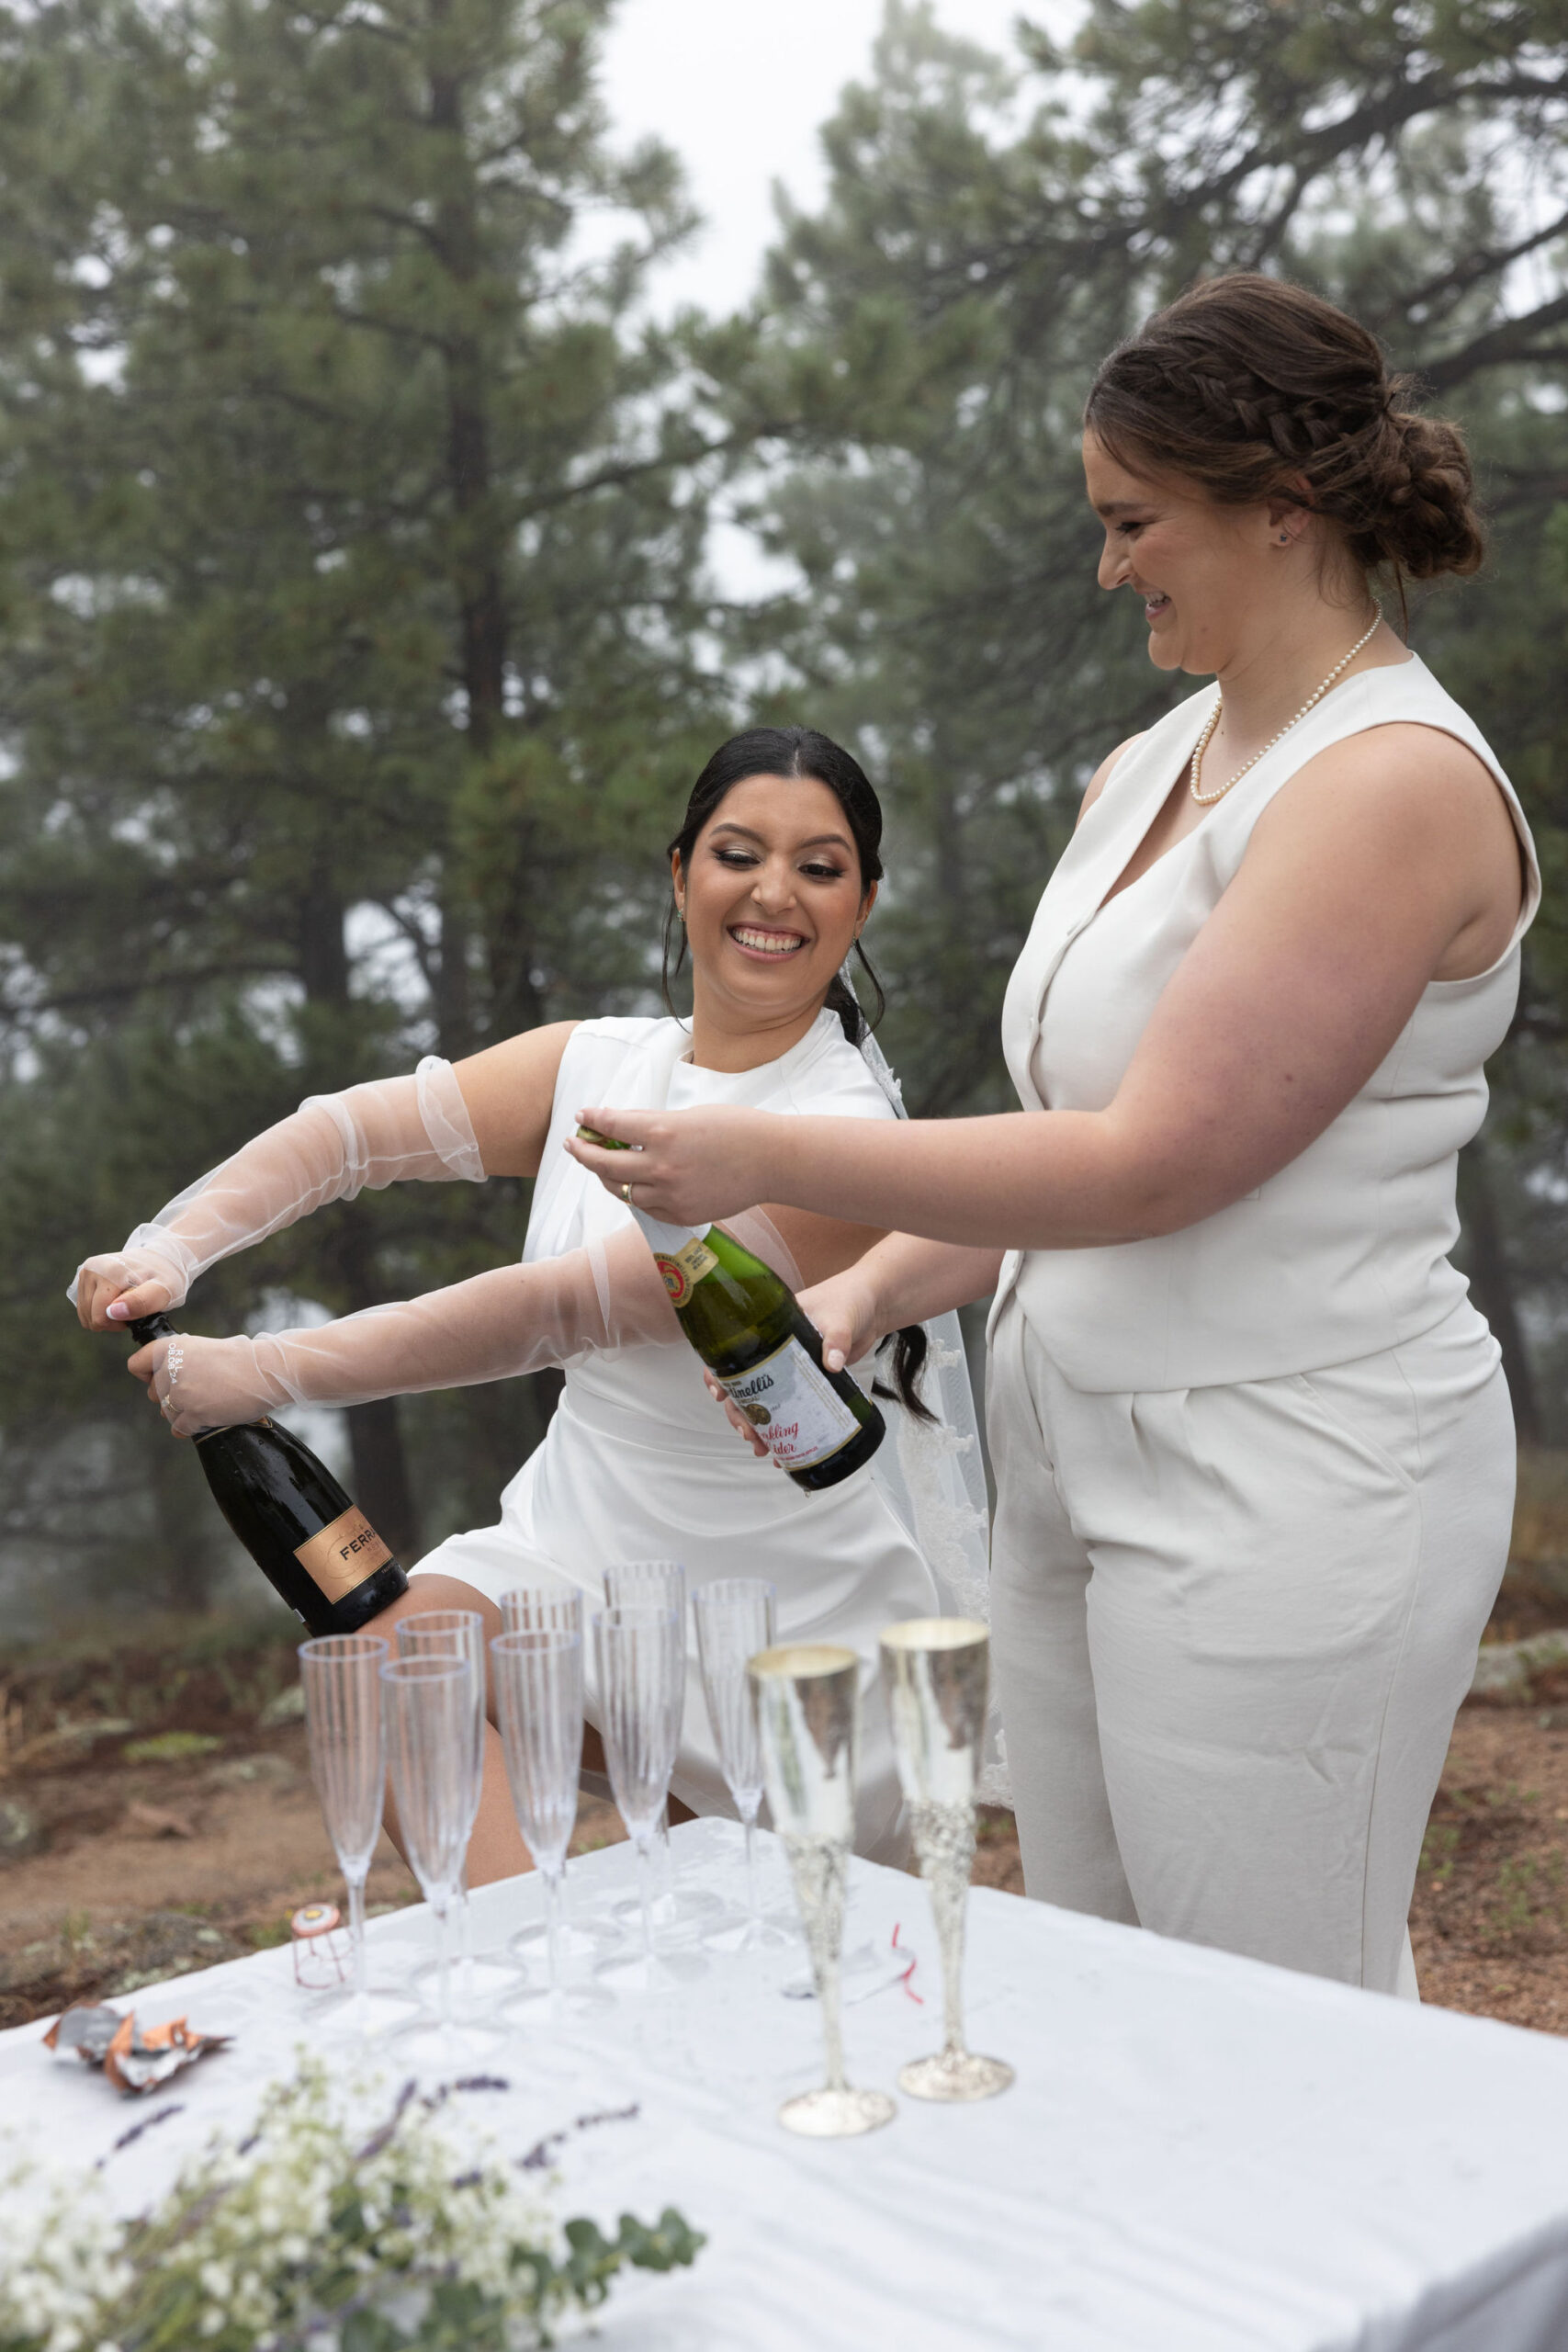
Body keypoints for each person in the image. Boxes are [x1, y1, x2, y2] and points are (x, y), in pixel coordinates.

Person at [569, 275, 1538, 1996]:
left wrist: (772, 1162)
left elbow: (1152, 1162)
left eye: (1133, 522)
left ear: (1281, 508)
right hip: (1071, 1456)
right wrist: (859, 1307)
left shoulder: (1388, 783)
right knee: (1114, 1990)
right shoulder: (1145, 765)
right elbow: (1058, 1145)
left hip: (1293, 1473)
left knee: (1279, 2022)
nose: (1109, 567)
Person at [72, 728, 989, 1874]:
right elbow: (349, 1135)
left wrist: (259, 1372)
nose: (773, 892)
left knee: (770, 1977)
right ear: (678, 873)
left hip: (788, 1610)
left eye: (820, 866)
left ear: (861, 906)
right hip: (582, 1540)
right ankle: (521, 1993)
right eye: (737, 853)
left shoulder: (845, 1130)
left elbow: (564, 1309)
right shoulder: (594, 1062)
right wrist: (171, 1245)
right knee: (398, 1666)